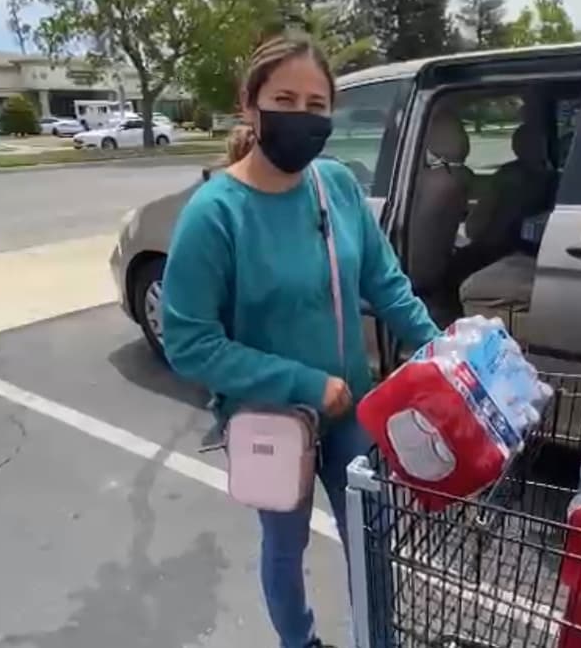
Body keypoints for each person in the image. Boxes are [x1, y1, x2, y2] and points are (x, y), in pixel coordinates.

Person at [160, 32, 439, 648]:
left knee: (372, 544)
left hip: (350, 414)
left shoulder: (335, 187)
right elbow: (189, 342)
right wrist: (304, 384)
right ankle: (300, 641)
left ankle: (379, 638)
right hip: (271, 422)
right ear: (250, 104)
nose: (303, 117)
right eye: (286, 99)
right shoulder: (215, 213)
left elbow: (386, 284)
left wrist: (444, 356)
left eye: (317, 106)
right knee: (284, 547)